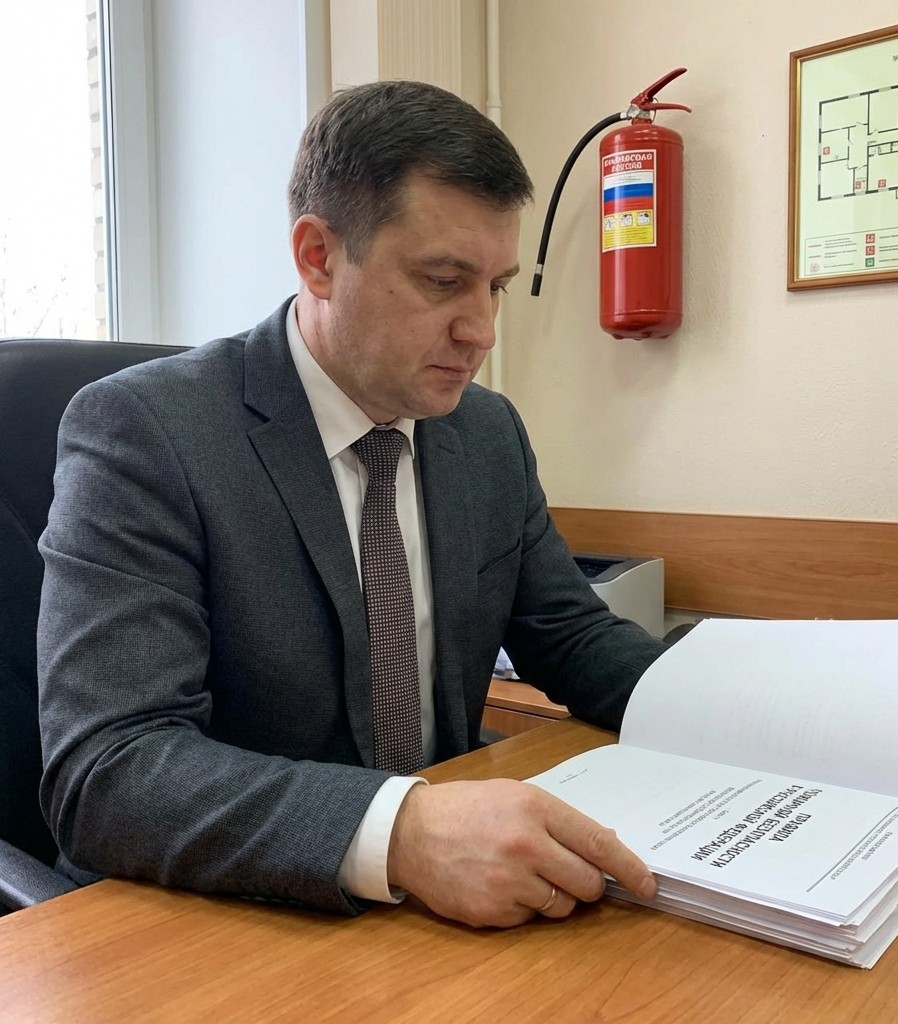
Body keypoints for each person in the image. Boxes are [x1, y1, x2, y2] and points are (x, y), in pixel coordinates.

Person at [37, 80, 666, 928]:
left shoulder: (485, 432)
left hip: (437, 919)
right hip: (221, 920)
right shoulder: (146, 433)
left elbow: (573, 638)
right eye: (443, 280)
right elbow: (108, 771)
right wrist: (401, 831)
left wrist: (756, 714)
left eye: (496, 286)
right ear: (318, 257)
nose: (481, 330)